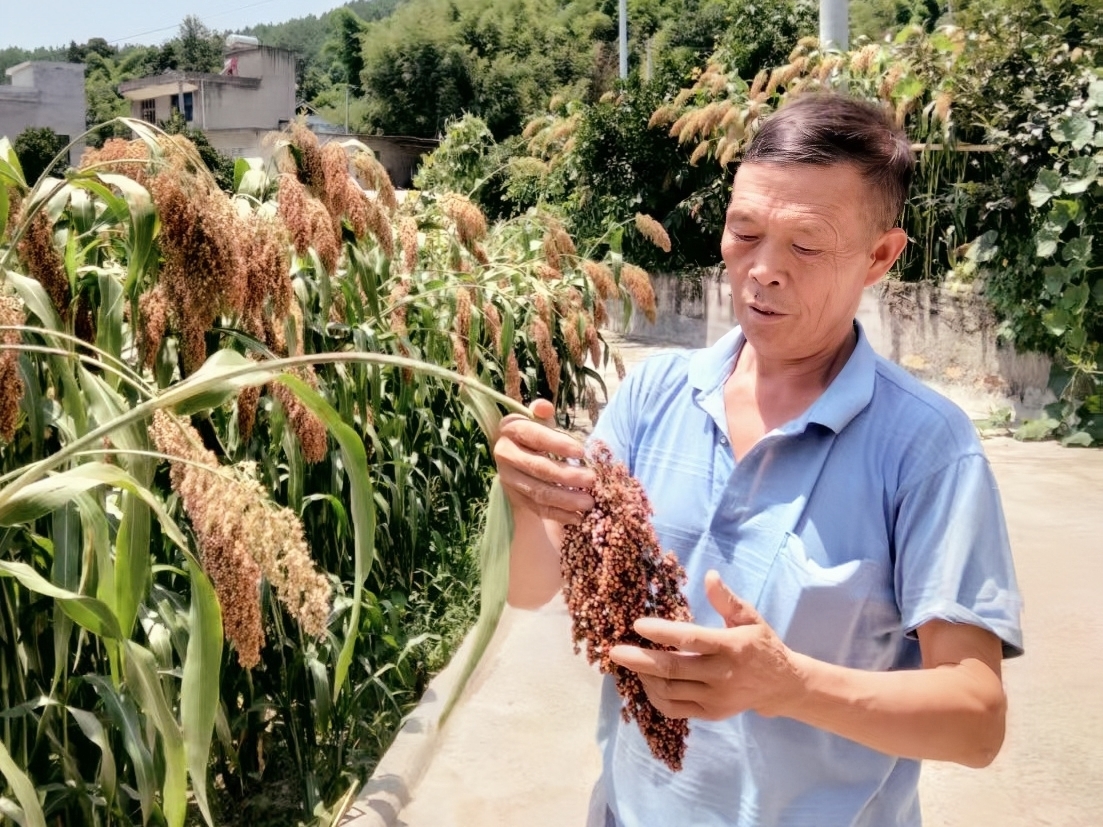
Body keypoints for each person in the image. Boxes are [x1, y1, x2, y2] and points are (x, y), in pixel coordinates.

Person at [493, 92, 1023, 827]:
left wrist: (788, 685)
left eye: (805, 245)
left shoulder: (926, 448)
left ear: (879, 257)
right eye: (743, 231)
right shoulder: (653, 396)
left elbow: (974, 718)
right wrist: (527, 502)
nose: (762, 270)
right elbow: (531, 589)